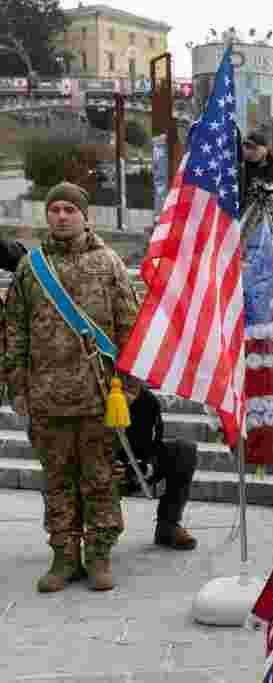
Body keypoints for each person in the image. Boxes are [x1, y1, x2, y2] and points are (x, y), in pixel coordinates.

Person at [5, 181, 140, 592]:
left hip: (98, 396)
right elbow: (15, 330)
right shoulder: (32, 268)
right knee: (58, 481)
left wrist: (129, 387)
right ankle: (64, 557)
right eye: (55, 209)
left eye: (70, 209)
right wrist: (17, 387)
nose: (61, 216)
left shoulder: (108, 262)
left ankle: (99, 555)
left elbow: (129, 326)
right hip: (46, 397)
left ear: (85, 216)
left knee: (99, 479)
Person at [114, 387, 200, 551]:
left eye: (135, 378)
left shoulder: (148, 401)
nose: (132, 382)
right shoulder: (95, 396)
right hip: (98, 468)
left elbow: (154, 447)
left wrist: (143, 468)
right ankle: (73, 542)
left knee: (184, 450)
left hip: (135, 466)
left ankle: (168, 525)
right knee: (108, 529)